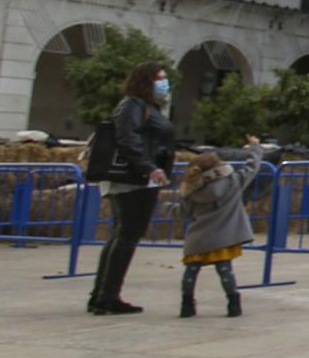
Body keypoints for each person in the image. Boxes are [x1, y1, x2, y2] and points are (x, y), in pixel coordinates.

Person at [87, 61, 174, 315]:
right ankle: (107, 296)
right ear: (146, 80)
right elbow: (128, 138)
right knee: (126, 236)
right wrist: (149, 167)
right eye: (160, 78)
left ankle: (101, 295)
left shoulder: (145, 106)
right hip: (134, 180)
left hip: (139, 178)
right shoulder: (133, 105)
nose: (164, 83)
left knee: (121, 235)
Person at [176, 139, 264, 318]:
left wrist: (165, 206)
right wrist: (255, 147)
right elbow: (252, 167)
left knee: (191, 271)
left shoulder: (192, 192)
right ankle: (233, 304)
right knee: (225, 271)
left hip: (198, 238)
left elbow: (182, 213)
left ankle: (187, 305)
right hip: (223, 238)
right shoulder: (233, 181)